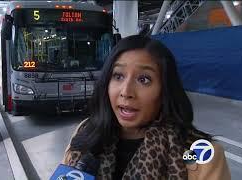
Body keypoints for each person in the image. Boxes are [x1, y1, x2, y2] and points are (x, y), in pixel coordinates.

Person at [62, 34, 231, 179]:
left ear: (165, 89)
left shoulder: (202, 154)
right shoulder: (86, 131)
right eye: (118, 76)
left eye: (144, 80)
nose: (126, 92)